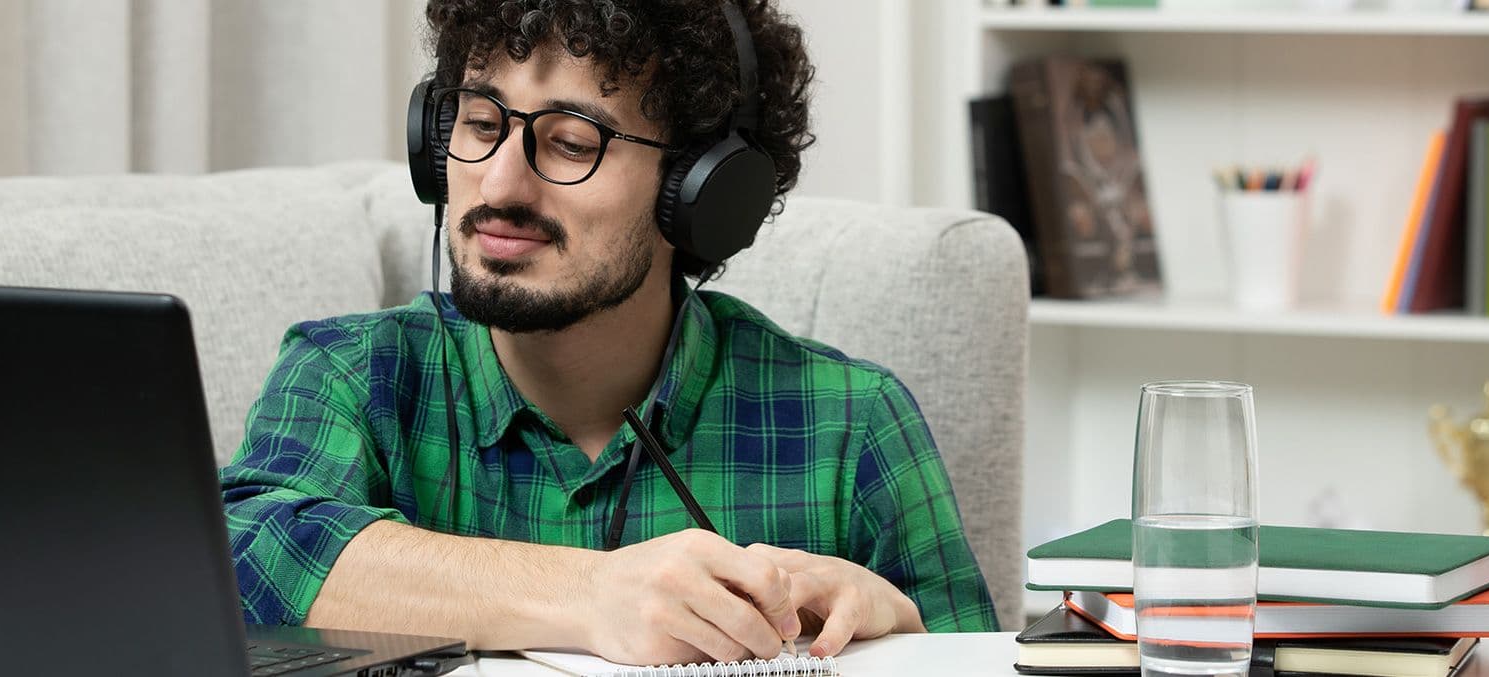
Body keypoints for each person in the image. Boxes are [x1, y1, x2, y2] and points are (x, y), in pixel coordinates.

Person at [220, 0, 997, 666]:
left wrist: (901, 634)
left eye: (571, 141)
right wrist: (593, 593)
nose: (498, 183)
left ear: (699, 192)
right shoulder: (351, 374)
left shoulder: (852, 423)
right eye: (480, 122)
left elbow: (979, 664)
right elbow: (246, 552)